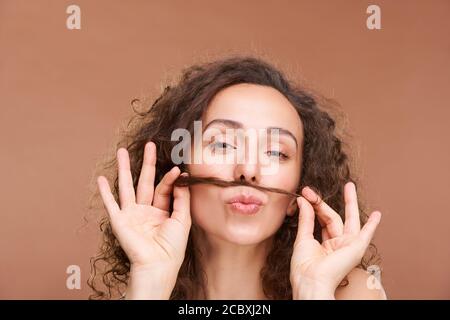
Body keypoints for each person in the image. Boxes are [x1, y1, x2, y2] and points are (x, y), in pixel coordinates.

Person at [89, 56, 386, 300]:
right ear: (179, 169)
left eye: (276, 152)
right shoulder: (143, 291)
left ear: (299, 193)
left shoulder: (354, 293)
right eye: (222, 145)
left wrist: (314, 291)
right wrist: (150, 280)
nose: (248, 170)